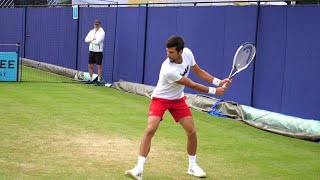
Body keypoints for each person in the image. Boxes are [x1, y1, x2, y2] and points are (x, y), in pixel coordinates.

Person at [125, 35, 232, 180]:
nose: (168, 55)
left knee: (191, 131)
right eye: (167, 51)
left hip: (177, 100)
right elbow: (192, 84)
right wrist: (214, 91)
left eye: (171, 52)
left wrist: (218, 82)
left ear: (180, 51)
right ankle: (139, 168)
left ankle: (192, 166)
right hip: (160, 99)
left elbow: (199, 72)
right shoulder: (167, 68)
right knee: (150, 129)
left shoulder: (187, 53)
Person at [85, 20, 105, 86]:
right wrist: (92, 39)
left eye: (97, 24)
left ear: (99, 25)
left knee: (98, 66)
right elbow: (86, 40)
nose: (96, 26)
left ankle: (99, 81)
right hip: (91, 51)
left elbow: (97, 42)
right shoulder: (91, 31)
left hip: (98, 52)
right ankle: (91, 79)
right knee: (90, 66)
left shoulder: (102, 32)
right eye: (95, 24)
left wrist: (91, 40)